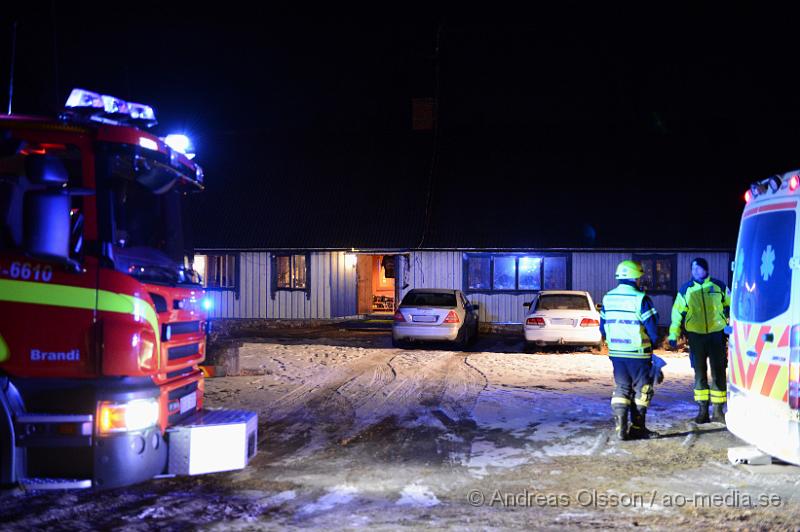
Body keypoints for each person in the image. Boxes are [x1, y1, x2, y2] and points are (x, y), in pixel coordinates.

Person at [600, 260, 660, 440]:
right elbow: (652, 327)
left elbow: (603, 327)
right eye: (639, 277)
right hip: (638, 352)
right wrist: (654, 343)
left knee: (622, 387)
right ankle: (637, 428)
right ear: (634, 277)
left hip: (616, 353)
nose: (641, 280)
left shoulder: (607, 297)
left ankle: (620, 424)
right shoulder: (641, 298)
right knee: (643, 390)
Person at [668, 257, 731, 424]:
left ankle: (718, 411)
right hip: (696, 337)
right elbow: (677, 313)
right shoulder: (686, 290)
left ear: (706, 270)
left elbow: (734, 304)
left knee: (719, 373)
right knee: (699, 374)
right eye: (693, 269)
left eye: (699, 269)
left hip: (717, 335)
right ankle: (702, 411)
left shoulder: (719, 286)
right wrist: (673, 334)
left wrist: (733, 325)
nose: (696, 272)